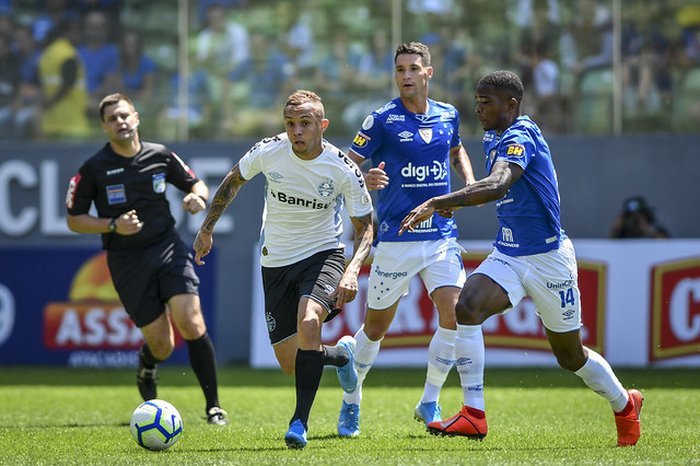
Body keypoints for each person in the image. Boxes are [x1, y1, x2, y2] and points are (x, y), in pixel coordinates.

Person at [399, 70, 643, 446]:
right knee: (467, 307)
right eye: (477, 100)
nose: (478, 107)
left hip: (548, 258)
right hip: (509, 254)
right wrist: (459, 200)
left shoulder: (520, 135)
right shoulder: (493, 134)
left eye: (487, 101)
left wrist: (439, 202)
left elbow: (498, 185)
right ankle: (474, 414)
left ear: (511, 105)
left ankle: (625, 403)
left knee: (570, 356)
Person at [192, 90, 374, 449]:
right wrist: (207, 227)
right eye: (290, 124)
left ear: (322, 125)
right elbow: (234, 180)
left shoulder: (341, 168)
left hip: (323, 254)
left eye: (305, 124)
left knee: (309, 322)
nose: (297, 132)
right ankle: (342, 356)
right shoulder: (269, 150)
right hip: (275, 261)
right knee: (292, 363)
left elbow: (366, 226)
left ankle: (298, 424)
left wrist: (352, 269)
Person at [337, 41, 476, 438]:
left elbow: (456, 149)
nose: (406, 76)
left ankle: (430, 398)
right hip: (397, 240)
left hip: (441, 238)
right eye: (400, 70)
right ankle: (352, 401)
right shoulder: (381, 120)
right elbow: (346, 166)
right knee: (376, 328)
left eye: (414, 68)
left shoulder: (449, 114)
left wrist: (467, 183)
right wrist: (363, 180)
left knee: (456, 314)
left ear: (428, 73)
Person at [65, 93, 228, 426]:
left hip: (167, 246)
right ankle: (147, 364)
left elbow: (197, 184)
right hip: (127, 261)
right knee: (163, 344)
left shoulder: (161, 155)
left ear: (136, 117)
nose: (120, 122)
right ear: (104, 127)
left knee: (191, 319)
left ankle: (214, 407)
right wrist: (113, 225)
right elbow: (74, 218)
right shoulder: (94, 168)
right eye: (112, 118)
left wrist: (197, 198)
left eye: (124, 115)